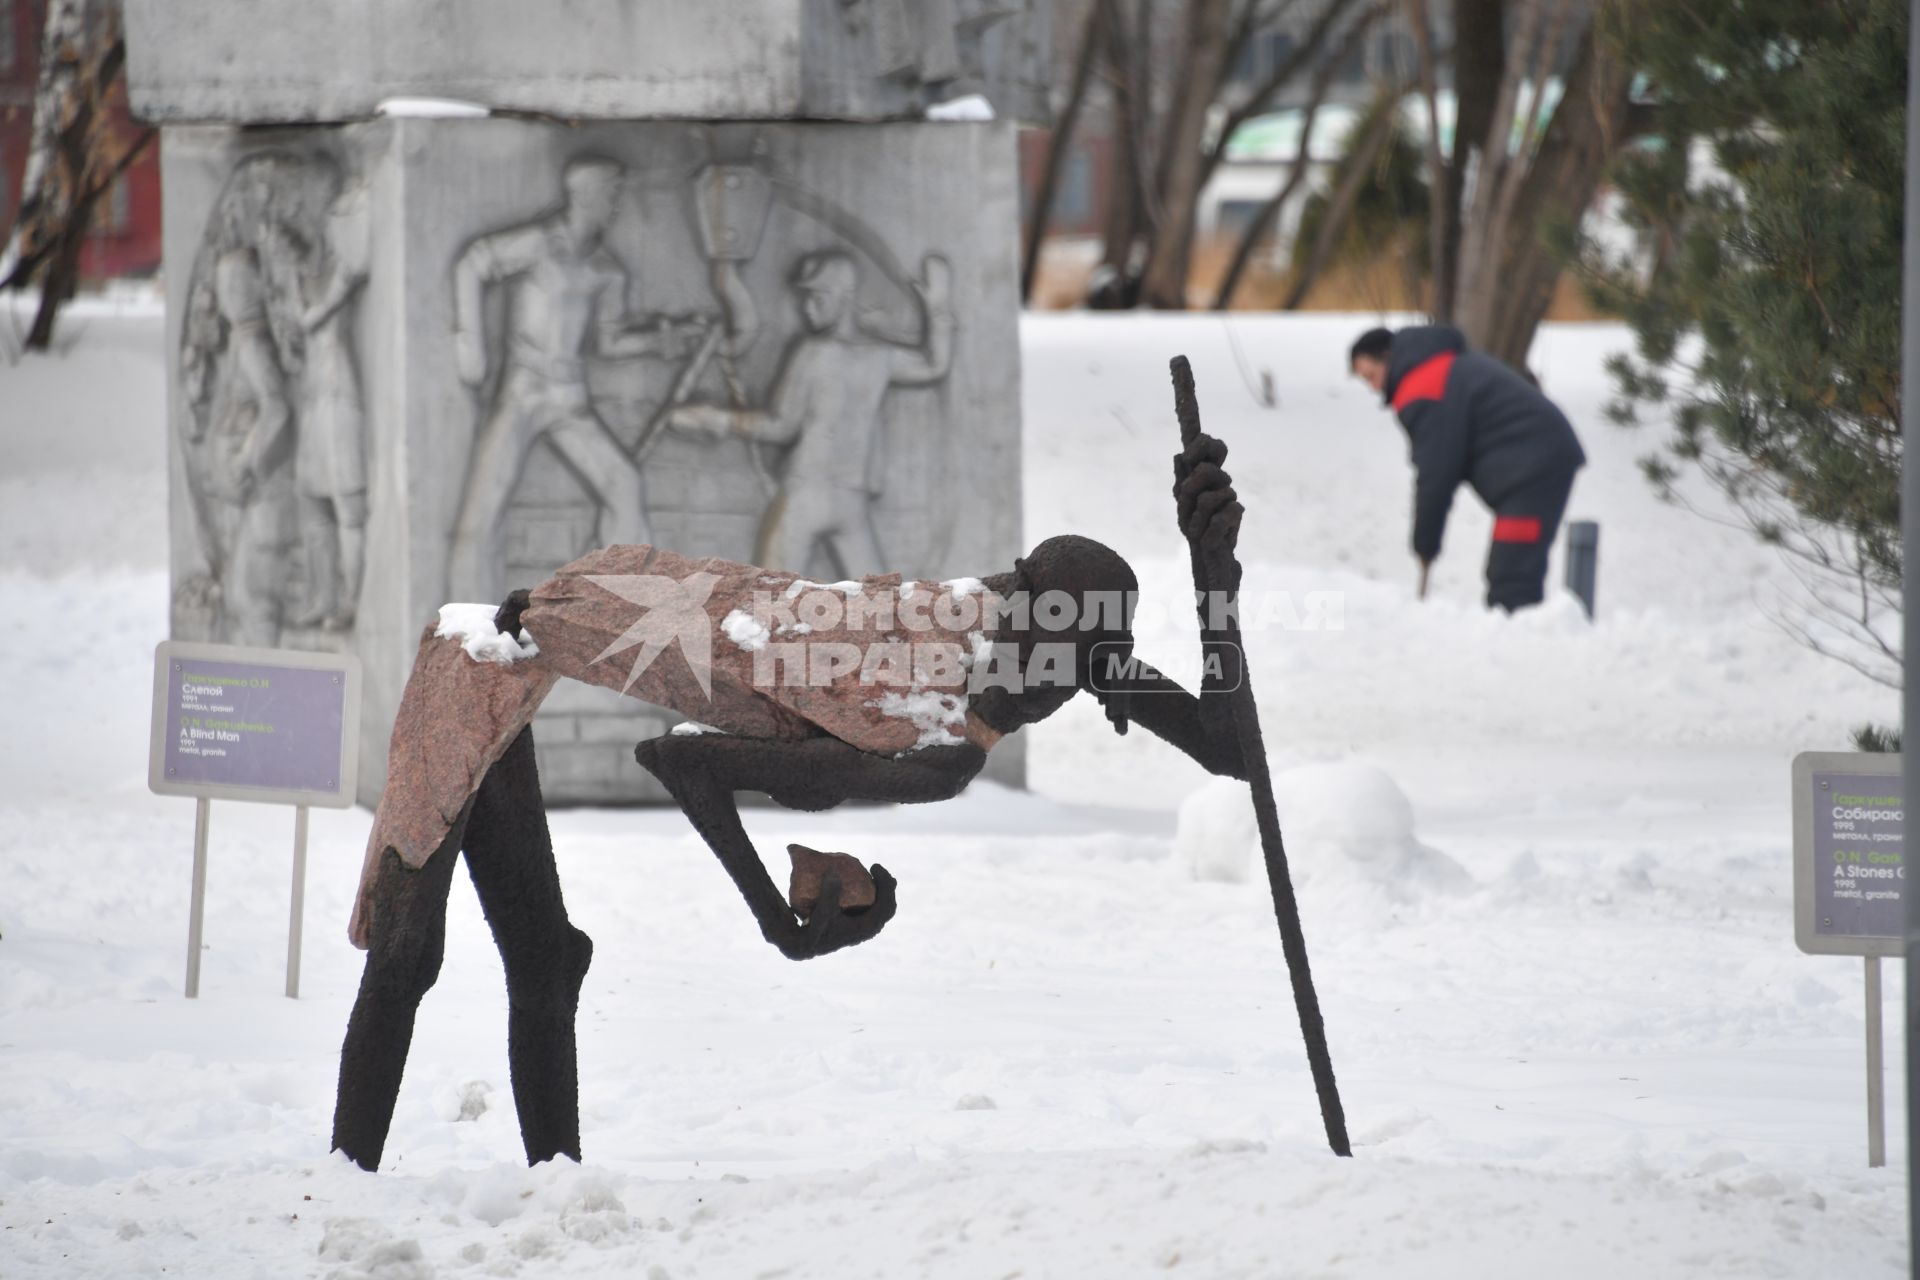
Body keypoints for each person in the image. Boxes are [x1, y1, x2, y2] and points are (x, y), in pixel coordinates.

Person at [330, 430, 1245, 1172]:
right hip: (480, 656)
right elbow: (683, 761)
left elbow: (1233, 749)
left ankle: (556, 1203)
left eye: (1089, 670)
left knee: (543, 963)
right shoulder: (923, 719)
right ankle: (345, 1200)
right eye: (1080, 668)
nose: (1080, 686)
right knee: (411, 951)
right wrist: (777, 920)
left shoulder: (1027, 638)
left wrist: (1216, 582)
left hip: (539, 634)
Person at [447, 157, 705, 602]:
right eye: (611, 194)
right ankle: (467, 620)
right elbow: (473, 263)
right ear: (584, 196)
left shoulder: (607, 270)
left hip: (570, 400)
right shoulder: (539, 244)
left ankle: (618, 605)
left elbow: (610, 342)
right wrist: (470, 341)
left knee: (623, 482)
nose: (617, 205)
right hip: (523, 393)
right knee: (483, 511)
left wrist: (663, 341)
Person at [665, 250, 953, 578]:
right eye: (805, 297)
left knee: (770, 600)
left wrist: (714, 419)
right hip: (850, 499)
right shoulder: (880, 356)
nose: (807, 306)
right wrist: (938, 306)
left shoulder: (813, 353)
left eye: (818, 296)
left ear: (844, 297)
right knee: (879, 607)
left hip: (806, 494)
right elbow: (934, 364)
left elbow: (781, 426)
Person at [1349, 325, 1586, 612]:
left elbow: (1436, 474)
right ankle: (1517, 642)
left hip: (1534, 469)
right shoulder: (1438, 367)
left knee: (1512, 578)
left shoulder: (1424, 386)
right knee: (1508, 574)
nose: (1373, 388)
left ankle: (1522, 649)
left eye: (1371, 376)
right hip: (1532, 465)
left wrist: (1425, 544)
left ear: (1387, 358)